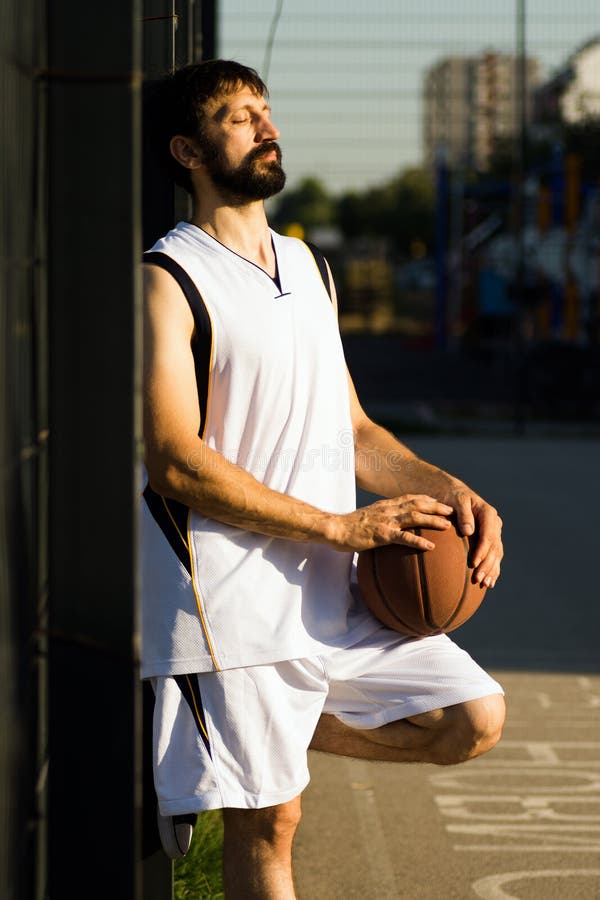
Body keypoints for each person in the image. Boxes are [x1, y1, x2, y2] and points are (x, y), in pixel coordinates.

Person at [142, 59, 505, 898]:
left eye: (267, 111)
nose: (267, 127)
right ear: (188, 151)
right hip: (226, 606)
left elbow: (356, 432)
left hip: (333, 595)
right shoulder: (168, 279)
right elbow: (173, 457)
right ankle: (246, 755)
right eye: (239, 117)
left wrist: (453, 491)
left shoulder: (309, 269)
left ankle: (281, 737)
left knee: (471, 721)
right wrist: (342, 527)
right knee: (273, 825)